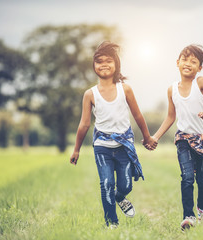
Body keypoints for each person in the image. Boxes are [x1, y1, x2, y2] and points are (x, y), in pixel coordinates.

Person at [69, 41, 157, 229]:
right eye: (99, 61)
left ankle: (120, 197)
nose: (104, 65)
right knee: (106, 183)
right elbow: (84, 124)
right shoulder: (90, 94)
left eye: (108, 61)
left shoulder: (124, 89)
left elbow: (138, 115)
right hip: (102, 147)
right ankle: (111, 222)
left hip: (124, 146)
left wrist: (147, 137)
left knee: (125, 186)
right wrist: (76, 149)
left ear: (116, 64)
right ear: (94, 66)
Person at [150, 44, 203, 230]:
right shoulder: (171, 89)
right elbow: (170, 116)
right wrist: (156, 137)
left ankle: (202, 211)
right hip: (183, 139)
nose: (188, 64)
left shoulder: (200, 82)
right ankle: (188, 216)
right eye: (185, 59)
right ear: (177, 63)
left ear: (199, 68)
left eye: (193, 61)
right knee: (186, 178)